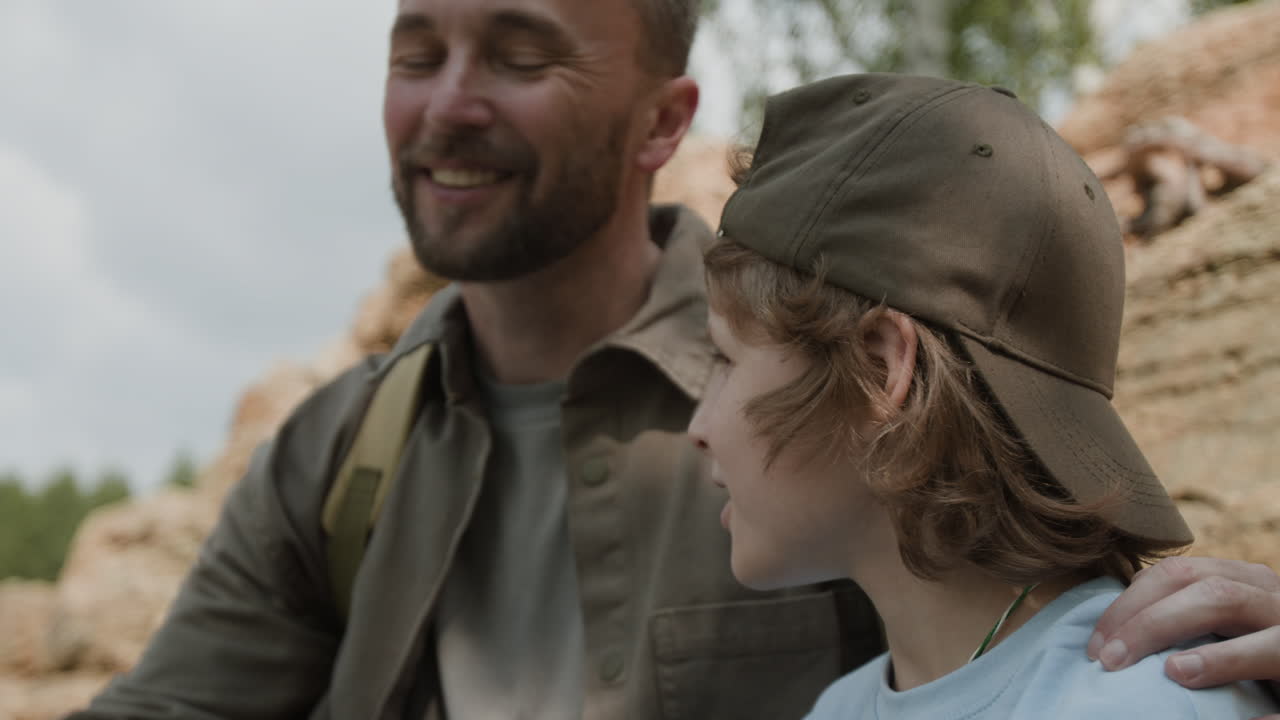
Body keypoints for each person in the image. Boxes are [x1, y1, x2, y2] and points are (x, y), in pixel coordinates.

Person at [69, 2, 1280, 718]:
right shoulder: (337, 457)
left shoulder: (821, 402)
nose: (446, 105)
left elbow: (1056, 580)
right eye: (414, 49)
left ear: (663, 121)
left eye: (518, 53)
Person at [687, 72, 1278, 718]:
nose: (698, 424)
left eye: (726, 357)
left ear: (878, 369)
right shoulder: (839, 708)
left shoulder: (1145, 704)